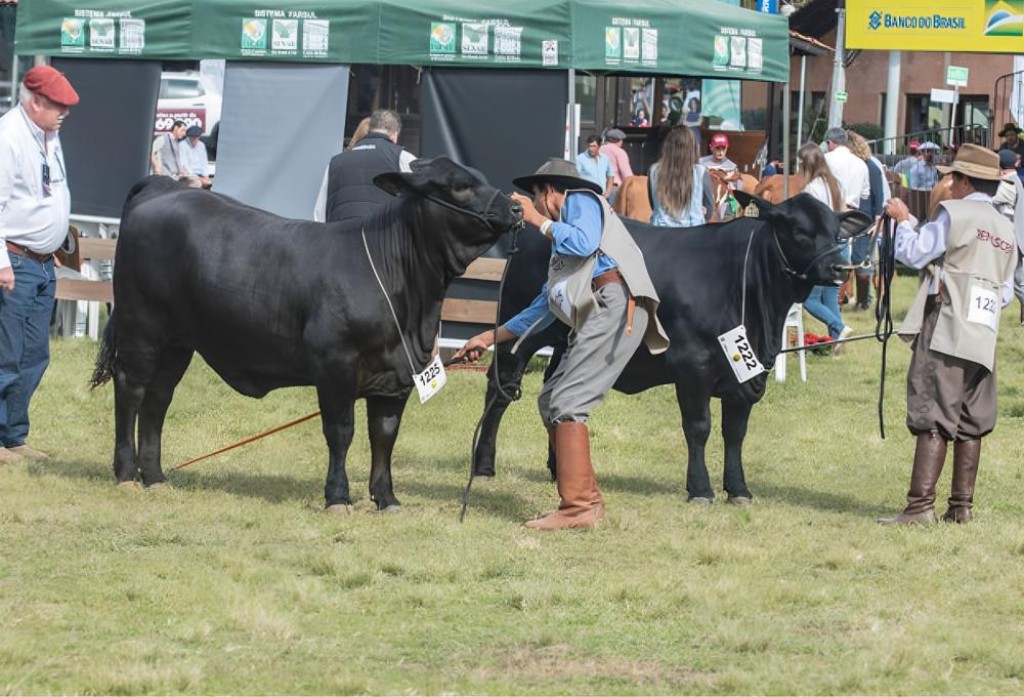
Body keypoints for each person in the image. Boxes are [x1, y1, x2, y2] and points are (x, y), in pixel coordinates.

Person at [454, 158, 669, 530]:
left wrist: (539, 222)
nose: (533, 206)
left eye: (535, 198)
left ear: (550, 191)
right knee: (551, 399)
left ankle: (577, 509)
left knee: (568, 404)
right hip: (602, 310)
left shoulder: (580, 200)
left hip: (614, 305)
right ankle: (589, 501)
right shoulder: (561, 250)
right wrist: (487, 338)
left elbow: (585, 242)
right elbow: (542, 308)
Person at [879, 144, 1016, 525]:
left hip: (948, 325)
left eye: (952, 177)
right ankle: (961, 507)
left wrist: (903, 221)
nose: (949, 184)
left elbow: (915, 254)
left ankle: (920, 507)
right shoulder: (1006, 228)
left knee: (933, 412)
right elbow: (1005, 291)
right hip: (983, 332)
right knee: (972, 419)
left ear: (965, 180)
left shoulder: (954, 213)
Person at [0, 65, 79, 463]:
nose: (64, 112)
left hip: (45, 264)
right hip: (14, 260)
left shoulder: (50, 135)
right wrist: (2, 264)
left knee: (34, 354)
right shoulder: (7, 137)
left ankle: (13, 437)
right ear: (34, 102)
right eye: (57, 106)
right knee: (6, 354)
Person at [312, 108, 416, 223]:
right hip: (381, 237)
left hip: (340, 236)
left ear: (370, 128)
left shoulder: (335, 163)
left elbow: (319, 214)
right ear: (394, 135)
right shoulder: (404, 158)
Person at [796, 142, 853, 350]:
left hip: (823, 250)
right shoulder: (836, 184)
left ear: (806, 165)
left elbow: (811, 223)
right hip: (842, 245)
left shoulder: (811, 189)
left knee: (809, 299)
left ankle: (840, 327)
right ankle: (837, 344)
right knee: (830, 298)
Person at [847, 130, 890, 311]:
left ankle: (863, 302)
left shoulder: (870, 166)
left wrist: (877, 222)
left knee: (863, 262)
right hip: (856, 218)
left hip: (866, 221)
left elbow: (878, 195)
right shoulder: (857, 165)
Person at [648, 125, 713, 227]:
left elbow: (653, 205)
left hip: (660, 233)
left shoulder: (654, 170)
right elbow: (709, 211)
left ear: (667, 147)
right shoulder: (700, 172)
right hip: (692, 234)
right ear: (693, 148)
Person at [992, 148, 1024, 324]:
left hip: (1011, 239)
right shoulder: (1015, 179)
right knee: (1019, 283)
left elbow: (988, 198)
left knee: (1012, 286)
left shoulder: (1006, 184)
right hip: (1017, 238)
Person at [599, 128, 633, 204]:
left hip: (597, 186)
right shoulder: (619, 152)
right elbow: (626, 173)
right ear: (619, 140)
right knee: (614, 213)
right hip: (613, 187)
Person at [576, 135, 614, 199]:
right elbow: (576, 177)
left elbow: (611, 176)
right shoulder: (580, 159)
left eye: (593, 146)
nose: (591, 149)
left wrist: (607, 193)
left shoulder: (605, 158)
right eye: (589, 146)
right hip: (587, 196)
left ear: (599, 146)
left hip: (602, 196)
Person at [179, 125, 212, 189]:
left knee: (210, 183)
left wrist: (206, 176)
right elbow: (184, 165)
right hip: (187, 175)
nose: (194, 139)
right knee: (197, 184)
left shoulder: (201, 145)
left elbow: (204, 162)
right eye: (192, 137)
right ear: (188, 136)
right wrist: (199, 178)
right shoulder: (182, 145)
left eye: (196, 137)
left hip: (200, 174)